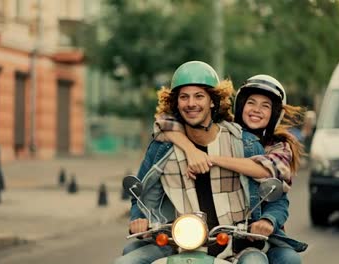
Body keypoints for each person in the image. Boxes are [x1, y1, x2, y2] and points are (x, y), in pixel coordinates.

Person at [114, 61, 307, 264]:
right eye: (184, 97)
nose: (191, 103)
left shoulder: (245, 144)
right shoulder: (163, 145)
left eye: (199, 96)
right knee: (125, 262)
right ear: (176, 104)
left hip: (238, 244)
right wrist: (139, 219)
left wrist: (267, 221)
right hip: (176, 244)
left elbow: (274, 190)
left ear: (213, 102)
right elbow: (141, 194)